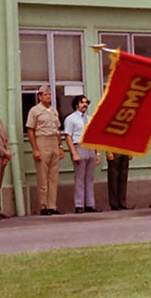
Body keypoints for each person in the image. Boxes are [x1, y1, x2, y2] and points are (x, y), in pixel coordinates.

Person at [25, 86, 63, 215]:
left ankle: (52, 205)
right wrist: (35, 149)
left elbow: (58, 130)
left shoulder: (53, 111)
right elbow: (30, 130)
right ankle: (43, 205)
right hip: (42, 140)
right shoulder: (35, 111)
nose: (48, 97)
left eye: (49, 94)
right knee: (42, 175)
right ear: (40, 96)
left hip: (53, 141)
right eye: (45, 94)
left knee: (53, 176)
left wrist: (60, 146)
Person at [62, 95, 98, 213]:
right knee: (80, 178)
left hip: (90, 148)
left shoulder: (90, 118)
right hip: (79, 147)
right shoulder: (71, 119)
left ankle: (90, 204)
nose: (85, 105)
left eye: (86, 102)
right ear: (76, 105)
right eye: (82, 102)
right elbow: (68, 136)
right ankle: (79, 205)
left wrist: (97, 153)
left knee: (90, 178)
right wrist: (74, 153)